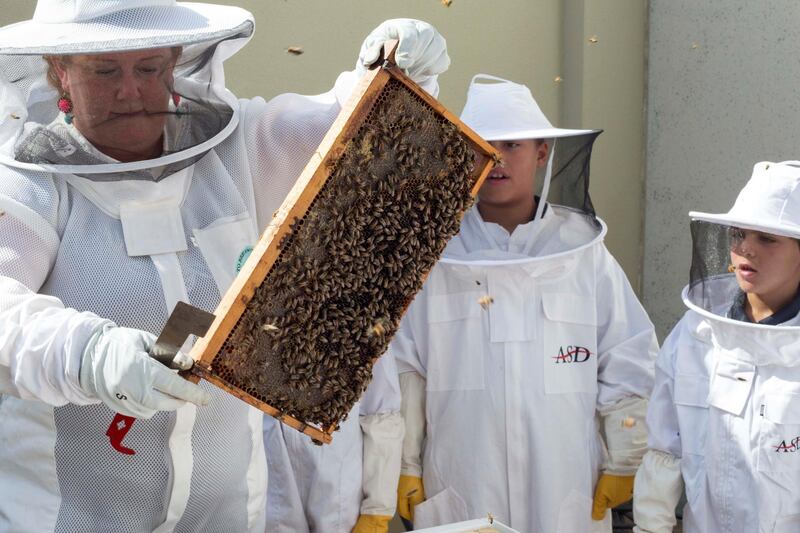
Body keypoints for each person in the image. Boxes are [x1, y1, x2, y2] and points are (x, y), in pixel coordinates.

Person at [0, 1, 448, 531]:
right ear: (60, 73)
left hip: (227, 511)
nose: (129, 90)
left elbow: (347, 126)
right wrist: (88, 353)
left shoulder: (238, 149)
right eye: (104, 70)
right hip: (69, 516)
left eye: (148, 68)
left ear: (175, 64)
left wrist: (394, 72)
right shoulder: (29, 185)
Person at [390, 74, 658, 532]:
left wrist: (626, 455)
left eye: (512, 144)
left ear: (541, 153)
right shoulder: (435, 252)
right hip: (462, 478)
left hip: (565, 481)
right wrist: (402, 462)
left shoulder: (582, 253)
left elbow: (627, 352)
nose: (495, 158)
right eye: (482, 145)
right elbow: (404, 369)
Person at [633, 161, 800, 533]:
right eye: (740, 234)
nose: (745, 249)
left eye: (767, 238)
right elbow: (665, 445)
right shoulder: (696, 333)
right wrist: (650, 526)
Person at [263, 351, 402, 533]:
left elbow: (381, 411)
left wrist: (378, 506)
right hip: (268, 488)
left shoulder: (365, 325)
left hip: (341, 502)